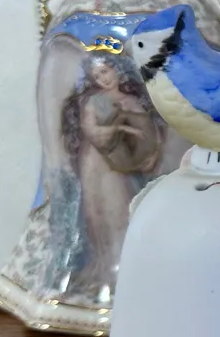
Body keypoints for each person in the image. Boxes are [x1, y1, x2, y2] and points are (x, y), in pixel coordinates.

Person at [59, 53, 164, 299]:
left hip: (123, 164)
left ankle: (129, 265)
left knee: (120, 208)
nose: (103, 79)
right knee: (98, 212)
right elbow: (92, 131)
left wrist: (147, 150)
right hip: (96, 163)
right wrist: (119, 126)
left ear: (117, 70)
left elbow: (148, 133)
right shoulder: (94, 101)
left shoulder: (132, 101)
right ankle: (106, 265)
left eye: (105, 71)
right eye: (96, 76)